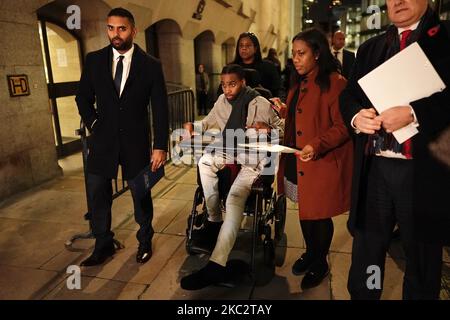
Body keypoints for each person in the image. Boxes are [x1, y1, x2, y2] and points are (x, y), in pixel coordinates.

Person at [339, 0, 450, 299]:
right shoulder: (370, 48)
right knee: (369, 252)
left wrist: (415, 113)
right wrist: (355, 116)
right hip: (375, 167)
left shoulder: (445, 40)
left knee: (421, 260)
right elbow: (349, 95)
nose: (398, 1)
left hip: (424, 172)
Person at [75, 7, 169, 266]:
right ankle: (103, 244)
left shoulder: (151, 65)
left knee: (141, 194)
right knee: (97, 194)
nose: (115, 34)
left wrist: (160, 145)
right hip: (103, 142)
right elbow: (82, 97)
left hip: (135, 143)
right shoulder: (94, 60)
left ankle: (145, 241)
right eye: (110, 28)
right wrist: (94, 122)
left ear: (133, 31)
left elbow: (160, 107)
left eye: (122, 28)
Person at [180, 64, 284, 290]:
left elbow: (283, 129)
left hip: (252, 156)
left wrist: (269, 128)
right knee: (204, 161)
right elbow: (207, 122)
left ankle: (216, 265)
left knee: (234, 198)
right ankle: (214, 220)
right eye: (224, 84)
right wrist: (192, 126)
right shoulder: (221, 101)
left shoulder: (261, 103)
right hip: (228, 147)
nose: (227, 89)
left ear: (243, 82)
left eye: (232, 84)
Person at [272, 28, 353, 290]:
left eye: (301, 53)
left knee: (319, 216)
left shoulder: (335, 82)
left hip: (321, 161)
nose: (295, 59)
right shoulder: (299, 81)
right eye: (293, 54)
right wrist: (285, 110)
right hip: (297, 160)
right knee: (305, 212)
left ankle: (320, 261)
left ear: (317, 53)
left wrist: (316, 144)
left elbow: (343, 127)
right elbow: (302, 116)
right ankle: (310, 253)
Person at [232, 32, 281, 97]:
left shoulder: (268, 66)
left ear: (255, 49)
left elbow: (278, 89)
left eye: (248, 45)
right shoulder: (232, 68)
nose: (244, 48)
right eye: (241, 45)